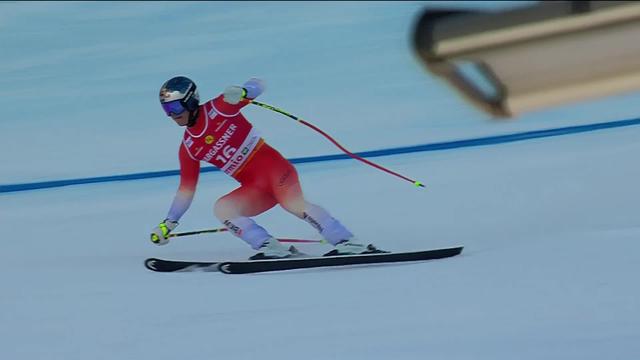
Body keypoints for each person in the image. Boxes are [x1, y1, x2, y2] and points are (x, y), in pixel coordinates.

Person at [150, 76, 379, 259]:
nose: (172, 115)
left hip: (276, 170)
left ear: (190, 101)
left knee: (293, 204)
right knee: (223, 209)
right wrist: (169, 223)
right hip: (256, 189)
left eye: (174, 107)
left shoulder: (220, 108)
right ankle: (270, 247)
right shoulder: (189, 147)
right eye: (166, 110)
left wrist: (244, 92)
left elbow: (260, 83)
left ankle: (347, 242)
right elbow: (186, 189)